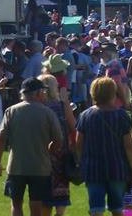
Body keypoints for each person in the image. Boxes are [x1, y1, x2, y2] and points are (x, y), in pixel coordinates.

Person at [0, 78, 64, 216]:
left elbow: (1, 138)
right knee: (36, 205)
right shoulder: (48, 113)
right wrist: (50, 150)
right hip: (40, 167)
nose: (44, 94)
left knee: (16, 204)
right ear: (38, 93)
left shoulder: (11, 111)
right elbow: (59, 139)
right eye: (43, 91)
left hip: (16, 167)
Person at [75, 77, 132, 216]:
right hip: (117, 168)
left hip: (93, 169)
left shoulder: (85, 116)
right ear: (113, 93)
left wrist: (80, 164)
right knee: (117, 208)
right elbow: (128, 146)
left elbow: (78, 144)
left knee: (96, 209)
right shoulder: (121, 116)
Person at [37, 74, 76, 215]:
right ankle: (60, 213)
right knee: (61, 187)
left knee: (45, 192)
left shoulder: (38, 106)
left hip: (42, 152)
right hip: (62, 151)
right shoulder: (63, 105)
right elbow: (73, 127)